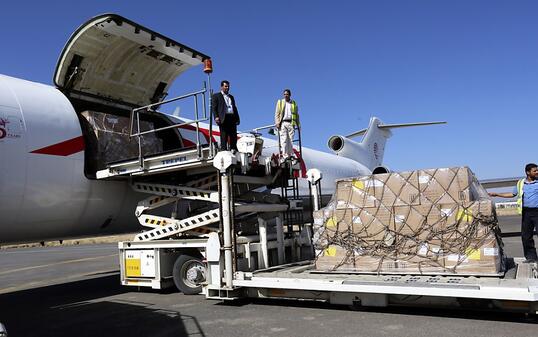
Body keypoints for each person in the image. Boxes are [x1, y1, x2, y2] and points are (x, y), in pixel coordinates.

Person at [489, 163, 538, 263]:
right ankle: (531, 258)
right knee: (526, 236)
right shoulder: (520, 183)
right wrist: (497, 194)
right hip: (526, 212)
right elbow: (512, 194)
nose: (537, 172)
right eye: (535, 171)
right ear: (528, 172)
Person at [212, 80, 240, 151]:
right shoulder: (216, 96)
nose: (227, 88)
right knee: (224, 135)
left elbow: (234, 108)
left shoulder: (231, 97)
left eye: (228, 86)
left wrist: (237, 118)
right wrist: (216, 117)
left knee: (233, 135)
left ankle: (233, 149)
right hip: (223, 118)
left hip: (232, 117)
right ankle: (224, 149)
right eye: (225, 86)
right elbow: (214, 107)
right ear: (221, 87)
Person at [274, 89, 300, 162]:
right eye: (284, 94)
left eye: (287, 94)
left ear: (290, 95)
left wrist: (298, 125)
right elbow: (277, 113)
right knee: (284, 139)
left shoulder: (293, 103)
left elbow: (296, 115)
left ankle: (291, 154)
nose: (285, 95)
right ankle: (285, 155)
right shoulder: (280, 102)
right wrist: (277, 122)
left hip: (291, 123)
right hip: (283, 123)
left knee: (291, 140)